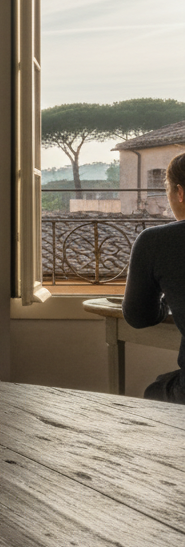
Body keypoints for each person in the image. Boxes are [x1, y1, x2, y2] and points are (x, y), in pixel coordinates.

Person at [122, 152, 185, 403]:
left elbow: (138, 317)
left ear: (180, 192)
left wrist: (168, 299)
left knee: (154, 393)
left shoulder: (156, 241)